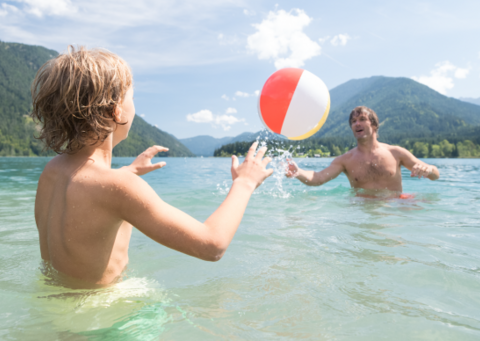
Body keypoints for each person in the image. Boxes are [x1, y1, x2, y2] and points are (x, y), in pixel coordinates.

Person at [32, 46, 273, 287]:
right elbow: (212, 245)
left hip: (53, 302)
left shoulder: (51, 173)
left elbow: (90, 193)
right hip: (102, 315)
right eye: (132, 98)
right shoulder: (119, 187)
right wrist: (245, 182)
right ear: (116, 112)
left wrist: (129, 171)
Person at [286, 106, 439, 193]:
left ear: (374, 125)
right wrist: (299, 173)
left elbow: (435, 175)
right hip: (361, 212)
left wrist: (429, 170)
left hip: (395, 208)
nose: (357, 124)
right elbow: (318, 178)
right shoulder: (345, 160)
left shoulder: (396, 153)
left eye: (362, 119)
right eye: (353, 121)